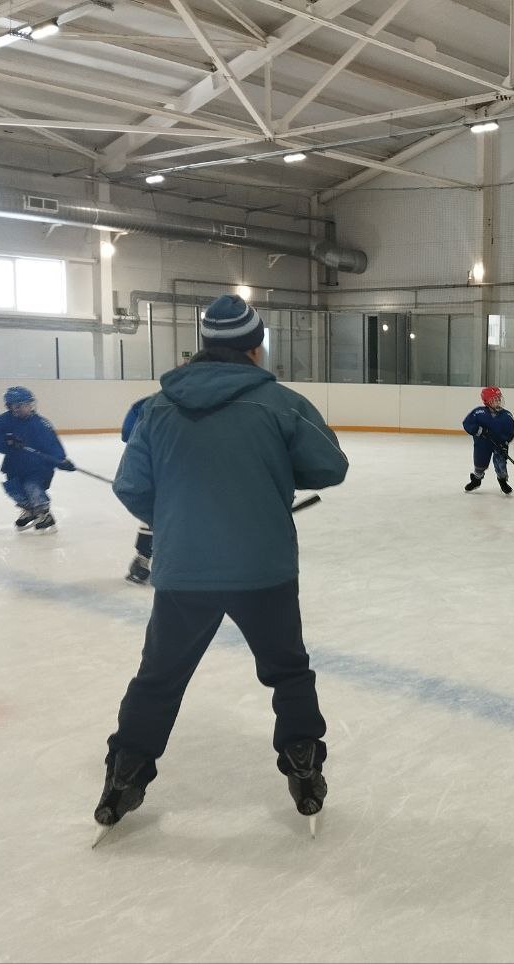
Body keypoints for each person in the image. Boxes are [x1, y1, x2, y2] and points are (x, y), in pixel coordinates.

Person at [97, 292, 350, 833]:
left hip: (185, 570)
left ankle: (125, 774)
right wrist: (270, 474)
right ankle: (304, 765)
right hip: (264, 568)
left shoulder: (156, 407)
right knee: (288, 670)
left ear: (203, 347)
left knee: (159, 677)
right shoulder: (281, 403)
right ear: (256, 347)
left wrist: (178, 522)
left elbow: (132, 487)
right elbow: (330, 466)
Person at [0, 386, 75, 534]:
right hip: (14, 465)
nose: (27, 408)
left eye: (29, 404)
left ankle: (44, 514)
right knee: (15, 489)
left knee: (32, 487)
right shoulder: (0, 423)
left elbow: (52, 444)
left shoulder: (41, 423)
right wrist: (7, 442)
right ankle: (29, 511)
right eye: (22, 405)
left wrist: (60, 460)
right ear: (12, 407)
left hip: (39, 466)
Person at [120, 394, 154, 585]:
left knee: (152, 515)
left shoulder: (147, 404)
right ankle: (143, 557)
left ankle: (142, 558)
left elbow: (127, 434)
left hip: (153, 469)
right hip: (181, 472)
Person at [462, 386, 514, 495]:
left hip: (499, 444)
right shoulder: (479, 412)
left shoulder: (507, 415)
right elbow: (467, 423)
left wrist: (505, 443)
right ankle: (477, 480)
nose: (498, 402)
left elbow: (510, 432)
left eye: (498, 399)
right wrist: (479, 430)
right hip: (482, 444)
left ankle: (502, 481)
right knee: (480, 463)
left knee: (501, 464)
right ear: (487, 401)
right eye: (494, 400)